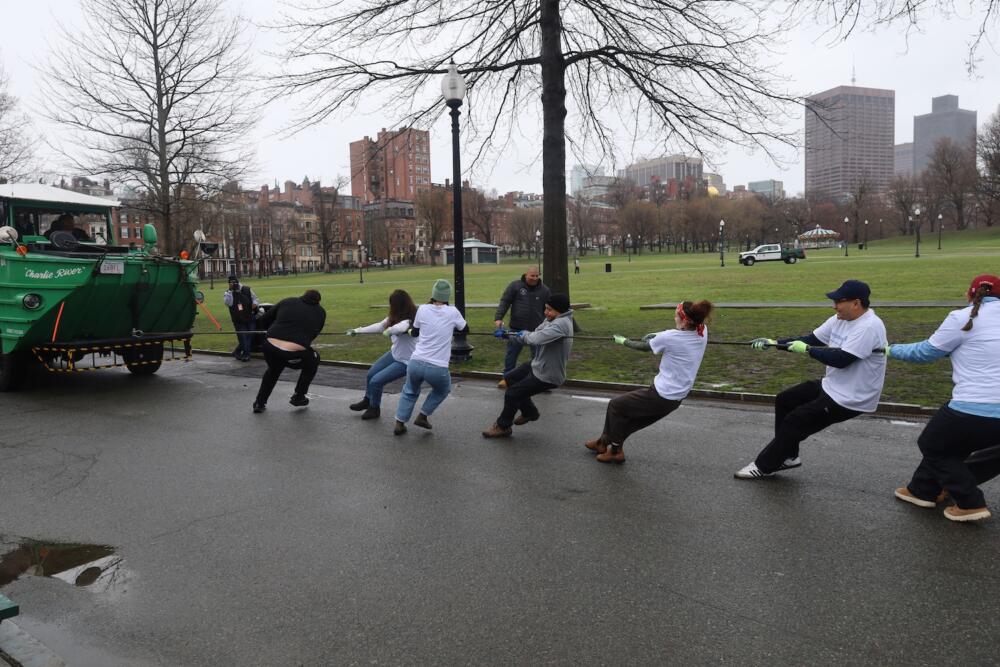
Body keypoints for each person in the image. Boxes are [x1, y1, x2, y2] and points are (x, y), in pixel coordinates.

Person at [735, 279, 887, 479]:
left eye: (839, 301)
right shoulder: (839, 319)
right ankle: (788, 456)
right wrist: (774, 343)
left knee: (795, 421)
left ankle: (764, 466)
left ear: (856, 303)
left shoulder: (869, 326)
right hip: (832, 386)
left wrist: (808, 351)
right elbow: (810, 339)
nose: (835, 306)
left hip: (852, 397)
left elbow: (842, 359)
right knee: (785, 400)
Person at [888, 274, 1000, 522]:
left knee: (932, 444)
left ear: (970, 294)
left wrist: (889, 349)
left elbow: (926, 353)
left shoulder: (962, 317)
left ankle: (970, 502)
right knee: (951, 444)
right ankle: (923, 490)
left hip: (974, 405)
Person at [584, 301, 713, 463]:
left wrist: (624, 341)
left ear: (685, 320)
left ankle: (616, 451)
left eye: (676, 315)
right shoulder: (702, 331)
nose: (674, 317)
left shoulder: (670, 338)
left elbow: (644, 347)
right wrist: (657, 334)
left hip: (661, 394)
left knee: (616, 406)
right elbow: (673, 334)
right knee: (630, 421)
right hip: (676, 398)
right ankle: (603, 442)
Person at [482, 294, 574, 438]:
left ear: (560, 311)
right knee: (511, 378)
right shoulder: (552, 319)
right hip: (538, 364)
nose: (546, 312)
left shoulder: (561, 325)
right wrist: (509, 335)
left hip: (548, 374)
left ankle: (503, 426)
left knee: (512, 393)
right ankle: (529, 412)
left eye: (549, 310)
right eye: (546, 308)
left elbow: (535, 339)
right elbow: (532, 335)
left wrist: (523, 334)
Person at [393, 279, 468, 436]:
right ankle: (423, 415)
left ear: (433, 294)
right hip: (437, 366)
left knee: (410, 390)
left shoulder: (423, 309)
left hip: (416, 362)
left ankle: (399, 423)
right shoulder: (453, 312)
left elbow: (415, 331)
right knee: (443, 389)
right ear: (447, 296)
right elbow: (465, 328)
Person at [346, 290, 418, 420]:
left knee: (376, 381)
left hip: (406, 361)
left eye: (392, 304)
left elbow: (402, 327)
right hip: (394, 354)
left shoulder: (411, 318)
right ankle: (367, 400)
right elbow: (379, 326)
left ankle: (374, 409)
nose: (390, 307)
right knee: (371, 374)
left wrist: (390, 331)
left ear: (398, 304)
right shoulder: (394, 316)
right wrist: (357, 331)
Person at [252, 289, 326, 413]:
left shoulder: (288, 301)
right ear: (318, 302)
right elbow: (313, 334)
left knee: (273, 370)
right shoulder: (321, 312)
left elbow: (264, 320)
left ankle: (259, 402)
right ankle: (299, 395)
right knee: (314, 359)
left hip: (270, 346)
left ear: (302, 296)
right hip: (294, 351)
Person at [494, 266, 550, 388]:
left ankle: (538, 380)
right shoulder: (515, 286)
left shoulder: (544, 290)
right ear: (526, 275)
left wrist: (548, 325)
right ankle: (507, 379)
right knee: (511, 355)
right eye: (532, 276)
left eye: (536, 276)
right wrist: (498, 318)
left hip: (536, 330)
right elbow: (505, 301)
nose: (534, 278)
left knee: (538, 357)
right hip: (516, 328)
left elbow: (548, 309)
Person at [224, 275, 260, 362]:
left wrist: (254, 304)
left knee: (250, 335)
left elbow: (256, 299)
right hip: (238, 319)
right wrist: (230, 291)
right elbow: (228, 303)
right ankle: (246, 354)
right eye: (231, 283)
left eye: (234, 283)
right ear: (229, 284)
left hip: (250, 316)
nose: (233, 284)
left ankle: (238, 351)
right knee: (243, 337)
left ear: (238, 282)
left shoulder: (247, 289)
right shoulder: (228, 293)